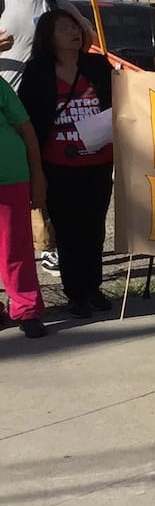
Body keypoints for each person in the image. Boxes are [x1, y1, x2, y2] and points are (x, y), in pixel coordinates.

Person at [19, 11, 113, 320]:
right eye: (64, 28)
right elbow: (30, 120)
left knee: (94, 227)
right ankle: (76, 294)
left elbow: (119, 102)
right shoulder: (37, 72)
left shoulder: (97, 66)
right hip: (58, 164)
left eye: (75, 27)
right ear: (49, 38)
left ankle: (94, 287)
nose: (74, 32)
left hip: (99, 161)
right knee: (69, 232)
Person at [0, 73, 46, 337]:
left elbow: (26, 129)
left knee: (15, 248)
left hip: (9, 176)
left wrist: (37, 175)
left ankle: (26, 309)